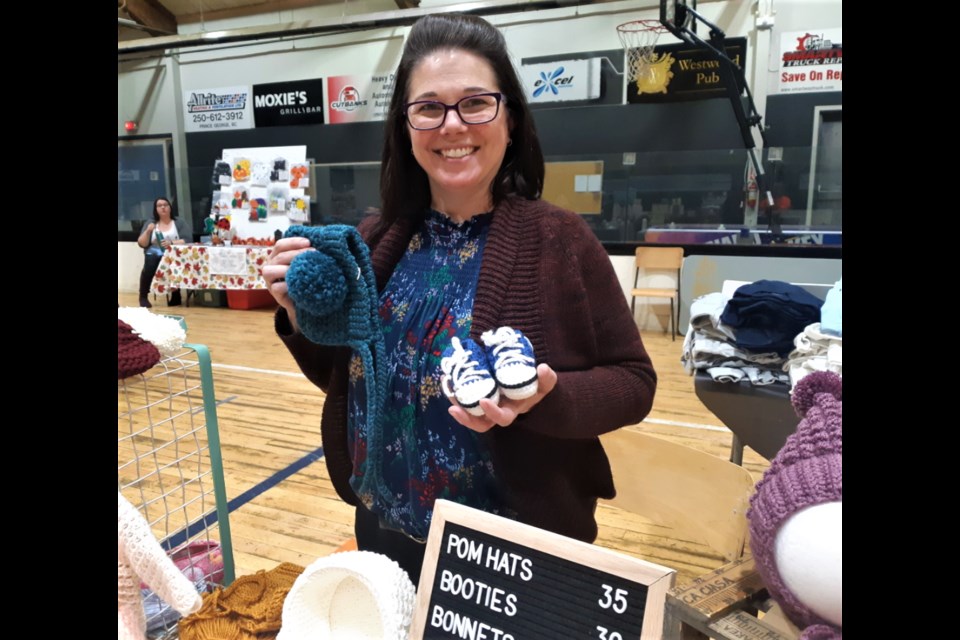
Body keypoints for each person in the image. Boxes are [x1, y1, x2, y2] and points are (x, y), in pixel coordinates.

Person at [263, 13, 657, 582]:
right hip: (381, 528)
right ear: (406, 126)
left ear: (512, 119)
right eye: (429, 107)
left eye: (475, 103)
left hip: (509, 550)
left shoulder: (560, 240)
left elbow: (634, 382)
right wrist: (304, 320)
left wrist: (544, 399)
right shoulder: (377, 239)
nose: (453, 125)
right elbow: (352, 381)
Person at [137, 197, 188, 308]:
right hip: (154, 253)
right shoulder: (151, 223)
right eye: (159, 205)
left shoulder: (179, 222)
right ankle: (143, 296)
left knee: (173, 263)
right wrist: (148, 231)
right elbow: (142, 244)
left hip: (174, 253)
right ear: (156, 209)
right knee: (150, 261)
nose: (163, 207)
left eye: (165, 205)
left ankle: (175, 295)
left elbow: (187, 239)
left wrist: (171, 242)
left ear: (170, 207)